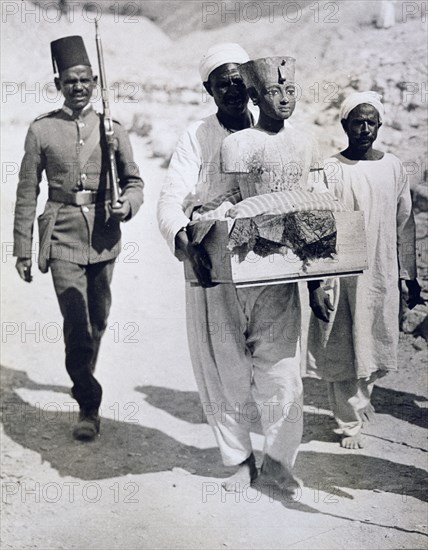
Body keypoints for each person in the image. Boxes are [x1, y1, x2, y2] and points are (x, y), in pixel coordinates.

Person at [158, 49, 324, 494]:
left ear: (253, 85)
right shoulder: (197, 136)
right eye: (222, 82)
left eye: (239, 81)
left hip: (273, 270)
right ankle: (238, 460)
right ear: (208, 89)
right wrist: (182, 239)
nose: (232, 89)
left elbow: (312, 198)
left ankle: (278, 463)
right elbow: (171, 197)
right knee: (223, 368)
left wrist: (318, 275)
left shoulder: (281, 134)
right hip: (214, 267)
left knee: (283, 370)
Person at [13, 36, 144, 441]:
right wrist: (22, 249)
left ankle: (84, 377)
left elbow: (134, 181)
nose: (79, 87)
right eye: (70, 81)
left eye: (85, 80)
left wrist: (129, 204)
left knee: (98, 320)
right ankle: (89, 403)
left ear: (95, 80)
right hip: (62, 234)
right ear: (59, 84)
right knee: (76, 322)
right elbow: (26, 191)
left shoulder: (113, 129)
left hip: (104, 235)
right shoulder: (42, 130)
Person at [307, 91, 422, 449]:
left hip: (381, 271)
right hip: (341, 271)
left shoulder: (392, 167)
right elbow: (314, 225)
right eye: (357, 121)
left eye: (371, 121)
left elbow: (405, 222)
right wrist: (316, 284)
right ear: (344, 125)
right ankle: (348, 423)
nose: (365, 128)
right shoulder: (329, 169)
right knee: (341, 342)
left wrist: (410, 275)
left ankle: (360, 401)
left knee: (373, 338)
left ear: (380, 125)